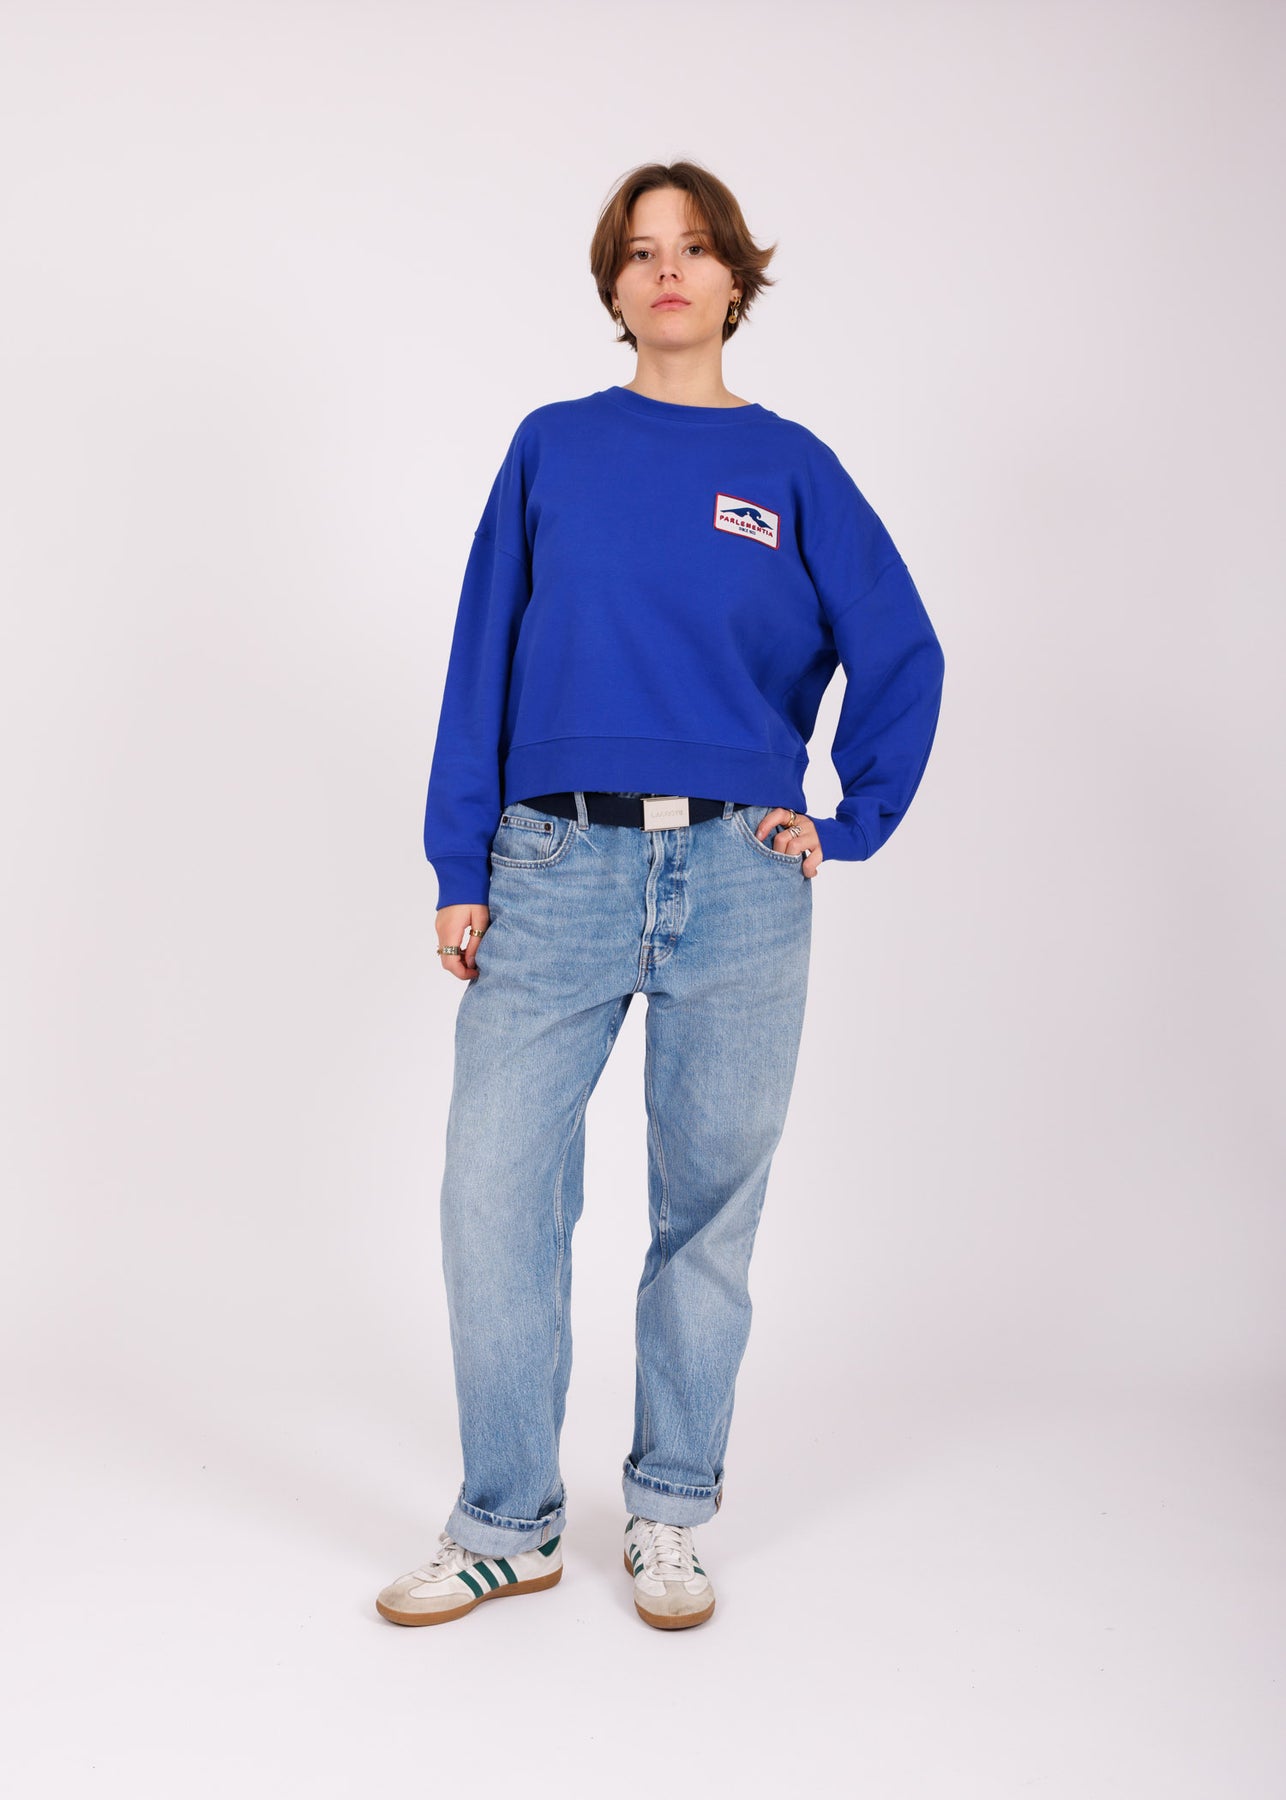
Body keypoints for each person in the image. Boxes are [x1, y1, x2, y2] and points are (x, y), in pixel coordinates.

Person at [376, 160, 945, 1632]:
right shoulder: (552, 447)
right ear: (613, 285)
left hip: (741, 882)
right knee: (493, 1190)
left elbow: (900, 649)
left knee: (709, 1208)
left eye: (694, 248)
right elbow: (481, 657)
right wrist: (458, 864)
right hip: (552, 866)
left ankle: (671, 1512)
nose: (668, 270)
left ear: (736, 280)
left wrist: (851, 820)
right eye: (640, 253)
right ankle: (508, 1521)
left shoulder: (792, 467)